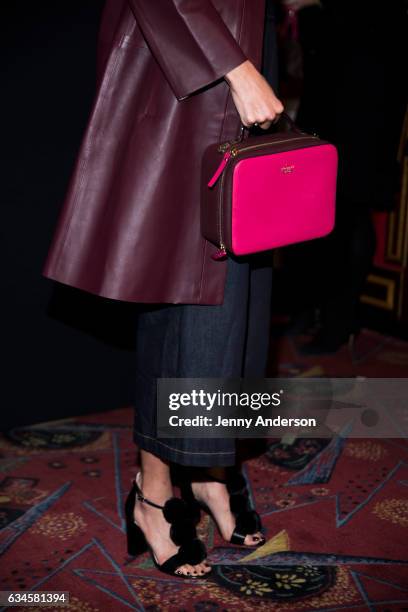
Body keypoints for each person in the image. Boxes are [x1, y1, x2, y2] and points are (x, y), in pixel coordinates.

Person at [42, 0, 283, 578]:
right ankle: (153, 497)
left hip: (240, 41)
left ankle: (209, 473)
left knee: (236, 298)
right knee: (184, 296)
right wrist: (235, 68)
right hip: (192, 67)